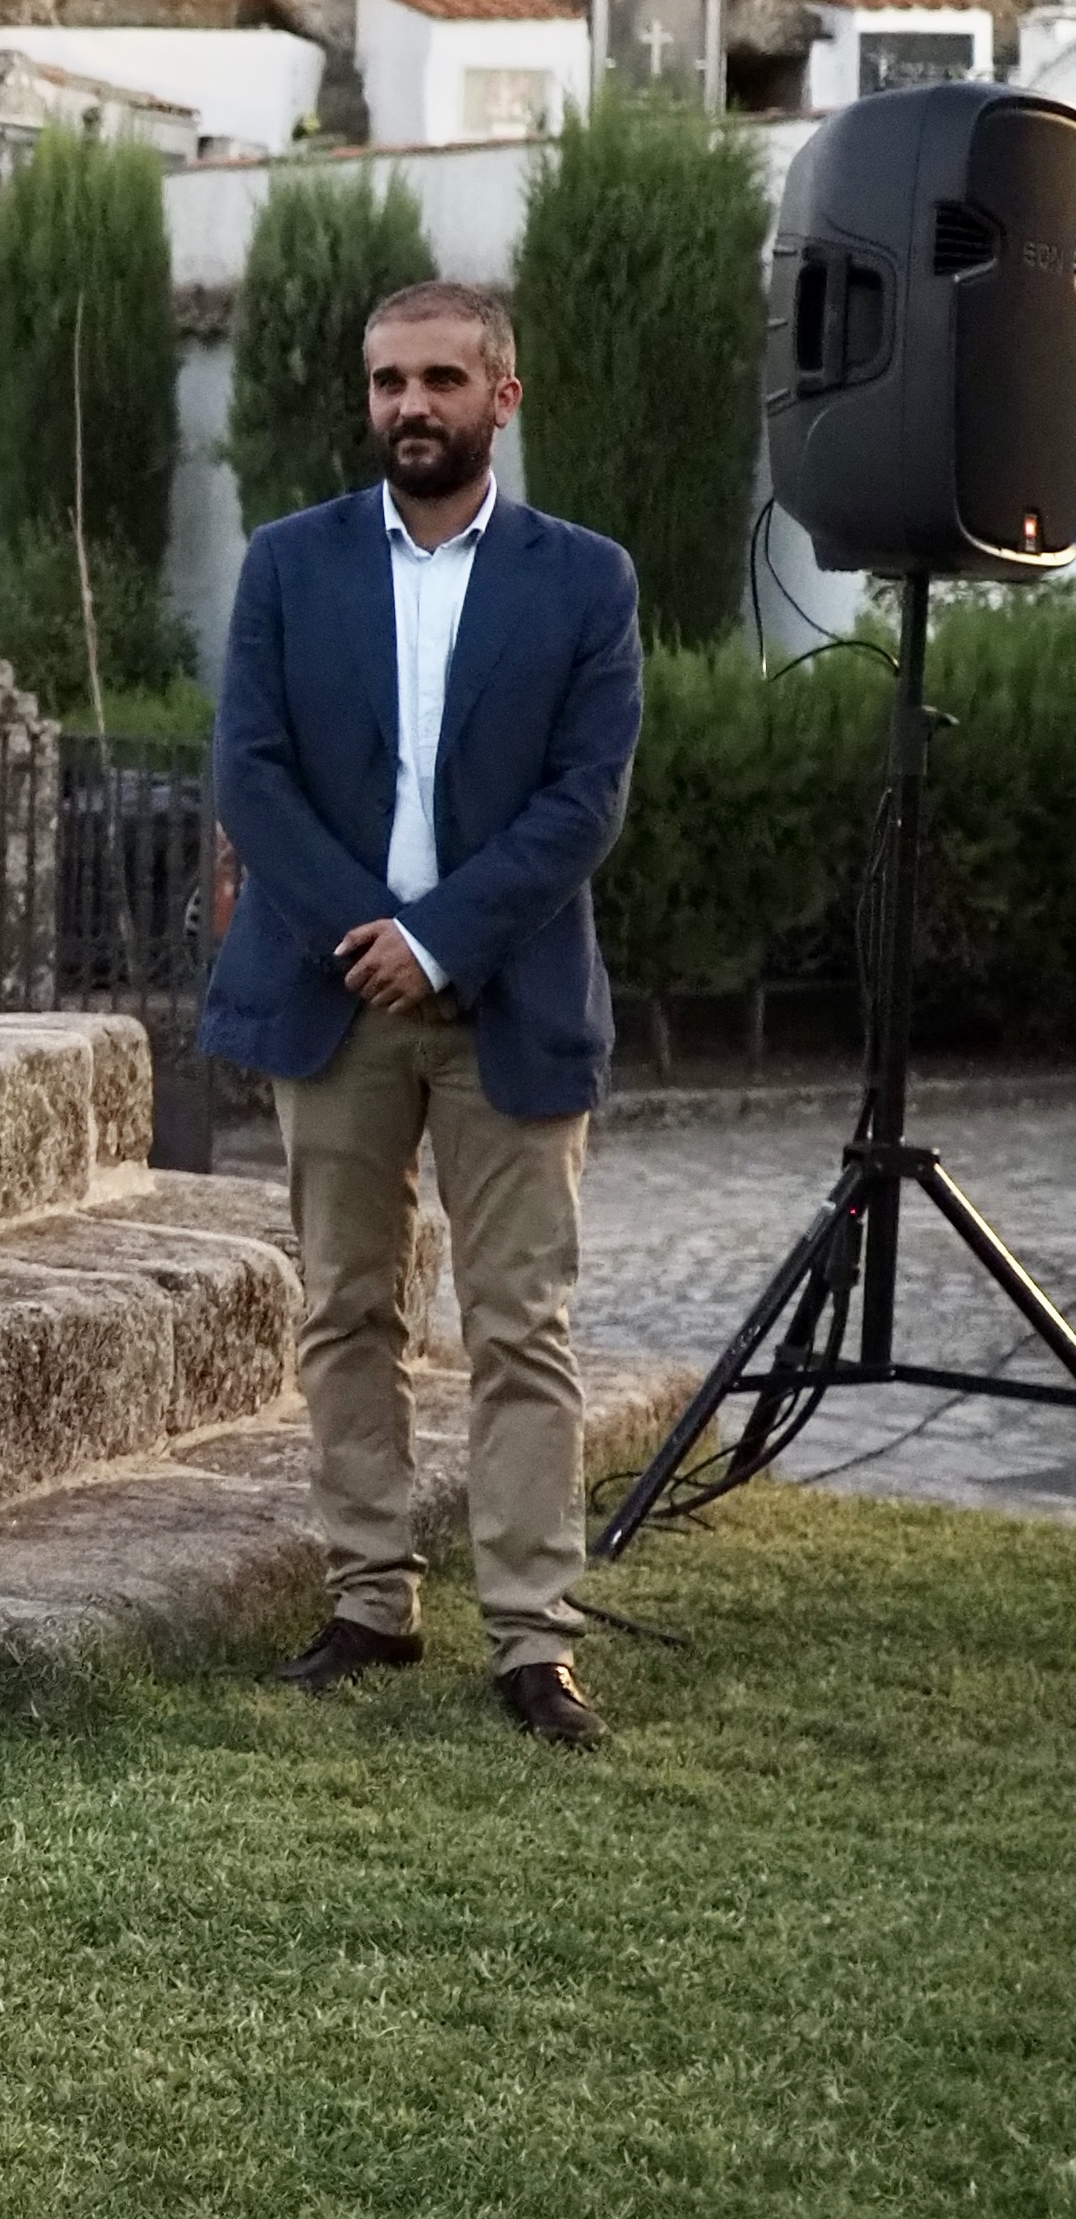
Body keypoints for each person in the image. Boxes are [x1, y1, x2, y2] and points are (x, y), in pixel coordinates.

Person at [202, 276, 644, 1752]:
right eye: (390, 381)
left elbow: (585, 801)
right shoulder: (289, 565)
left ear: (500, 398)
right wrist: (364, 933)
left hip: (509, 998)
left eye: (442, 380)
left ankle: (532, 1641)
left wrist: (441, 941)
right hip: (333, 998)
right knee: (345, 1309)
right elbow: (250, 776)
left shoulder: (587, 580)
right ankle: (370, 1601)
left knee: (522, 1326)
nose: (411, 406)